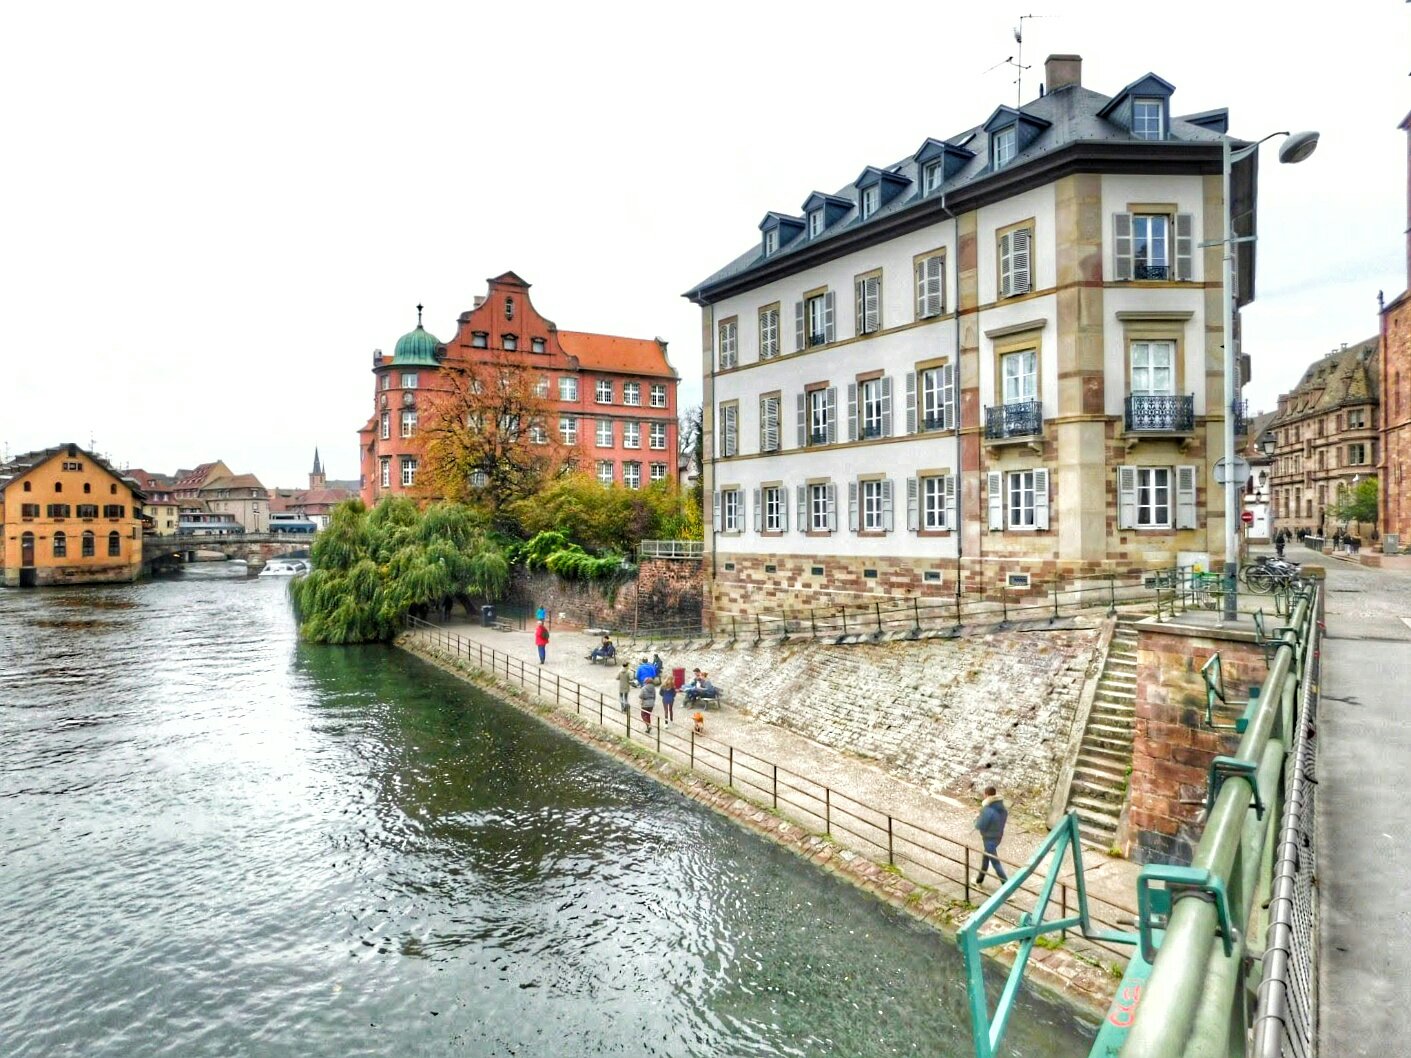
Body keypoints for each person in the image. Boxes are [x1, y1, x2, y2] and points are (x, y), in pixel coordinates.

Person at [973, 786, 1009, 886]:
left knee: (995, 863)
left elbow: (979, 826)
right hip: (998, 837)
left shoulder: (987, 809)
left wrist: (977, 819)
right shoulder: (1002, 808)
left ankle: (1007, 886)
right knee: (985, 858)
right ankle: (979, 880)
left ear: (986, 795)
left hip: (989, 839)